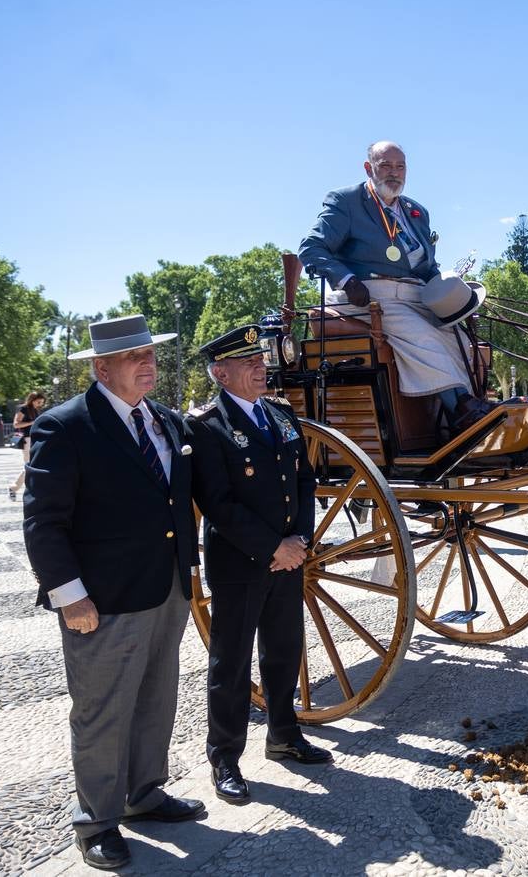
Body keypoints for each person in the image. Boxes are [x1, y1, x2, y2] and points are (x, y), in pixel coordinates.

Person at [22, 314, 203, 870]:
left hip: (166, 587)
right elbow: (44, 521)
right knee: (102, 711)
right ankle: (96, 821)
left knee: (155, 699)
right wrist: (69, 595)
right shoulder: (65, 426)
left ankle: (143, 794)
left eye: (150, 354)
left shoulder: (166, 422)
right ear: (102, 368)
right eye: (133, 357)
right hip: (101, 600)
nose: (147, 363)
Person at [188, 324, 329, 806]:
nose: (260, 367)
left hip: (288, 556)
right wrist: (274, 547)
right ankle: (225, 757)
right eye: (248, 362)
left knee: (284, 650)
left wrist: (300, 540)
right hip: (242, 562)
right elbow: (218, 504)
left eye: (260, 359)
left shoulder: (280, 414)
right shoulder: (206, 426)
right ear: (220, 372)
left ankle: (283, 735)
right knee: (231, 663)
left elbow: (305, 481)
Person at [297, 140, 493, 430]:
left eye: (400, 166)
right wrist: (347, 280)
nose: (394, 172)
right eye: (385, 165)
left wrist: (451, 295)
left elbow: (427, 267)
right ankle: (462, 413)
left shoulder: (417, 212)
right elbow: (311, 248)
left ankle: (452, 419)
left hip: (416, 297)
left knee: (463, 343)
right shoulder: (346, 201)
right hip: (369, 298)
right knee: (423, 337)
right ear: (369, 168)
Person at [8, 390, 46, 501]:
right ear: (32, 400)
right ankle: (14, 487)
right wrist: (32, 422)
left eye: (42, 402)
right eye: (39, 402)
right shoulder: (23, 409)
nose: (40, 404)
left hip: (34, 439)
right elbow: (16, 424)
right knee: (30, 465)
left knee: (34, 464)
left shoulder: (35, 410)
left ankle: (20, 488)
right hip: (26, 439)